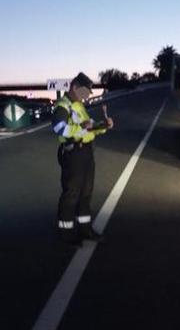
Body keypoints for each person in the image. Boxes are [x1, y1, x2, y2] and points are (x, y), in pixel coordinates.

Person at [51, 72, 114, 245]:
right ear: (75, 87)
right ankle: (66, 233)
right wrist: (80, 127)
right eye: (85, 93)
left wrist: (104, 125)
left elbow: (89, 128)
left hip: (86, 152)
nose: (86, 97)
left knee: (86, 193)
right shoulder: (63, 106)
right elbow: (59, 128)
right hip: (73, 153)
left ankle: (85, 229)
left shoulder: (79, 106)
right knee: (71, 193)